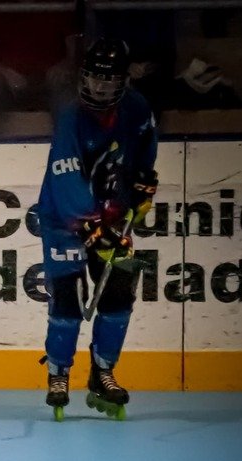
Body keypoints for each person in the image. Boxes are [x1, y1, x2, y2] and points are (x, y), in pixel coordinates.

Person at [37, 39, 158, 420]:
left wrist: (142, 181)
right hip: (64, 221)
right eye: (94, 78)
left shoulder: (137, 108)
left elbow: (144, 149)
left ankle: (103, 373)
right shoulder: (72, 117)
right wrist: (89, 226)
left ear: (124, 80)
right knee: (69, 304)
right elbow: (66, 175)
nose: (100, 87)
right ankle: (58, 373)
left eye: (109, 80)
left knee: (119, 295)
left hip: (113, 217)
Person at [0, 0, 79, 135]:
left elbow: (76, 54)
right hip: (11, 86)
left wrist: (62, 67)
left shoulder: (58, 6)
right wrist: (6, 73)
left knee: (67, 87)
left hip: (51, 83)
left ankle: (67, 148)